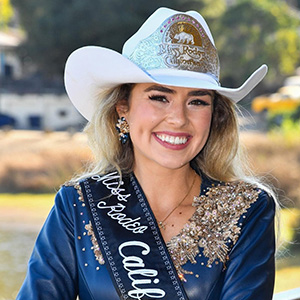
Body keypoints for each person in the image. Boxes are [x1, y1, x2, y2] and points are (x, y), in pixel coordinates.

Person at [17, 7, 277, 300]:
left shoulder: (246, 209)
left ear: (214, 116)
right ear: (123, 107)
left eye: (197, 102)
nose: (178, 118)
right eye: (159, 97)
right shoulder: (78, 204)